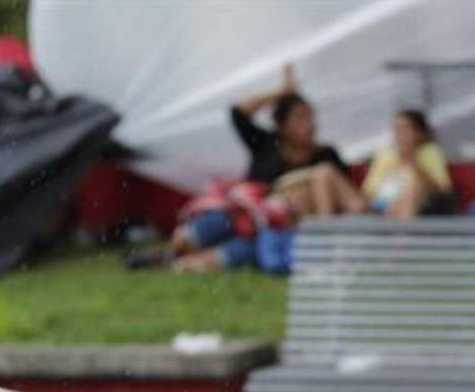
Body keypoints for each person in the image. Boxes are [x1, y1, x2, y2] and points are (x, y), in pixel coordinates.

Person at [152, 65, 364, 273]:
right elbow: (238, 113)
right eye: (300, 117)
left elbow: (344, 197)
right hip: (243, 215)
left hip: (278, 229)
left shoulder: (326, 156)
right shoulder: (266, 144)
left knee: (246, 248)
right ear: (282, 125)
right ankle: (175, 250)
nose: (310, 123)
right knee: (220, 221)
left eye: (311, 116)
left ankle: (179, 264)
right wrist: (281, 92)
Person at [362, 109, 453, 219]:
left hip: (424, 205)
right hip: (384, 205)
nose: (400, 135)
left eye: (405, 129)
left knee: (410, 179)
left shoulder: (430, 153)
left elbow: (441, 190)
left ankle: (404, 231)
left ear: (419, 133)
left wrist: (413, 163)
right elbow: (369, 191)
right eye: (397, 129)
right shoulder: (385, 154)